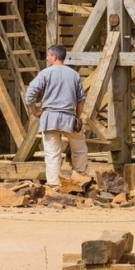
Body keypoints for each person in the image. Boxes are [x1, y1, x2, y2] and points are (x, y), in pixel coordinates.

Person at [25, 44, 88, 189]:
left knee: (52, 152)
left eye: (48, 55)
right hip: (69, 116)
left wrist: (35, 111)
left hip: (50, 117)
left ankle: (54, 184)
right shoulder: (74, 75)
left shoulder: (45, 73)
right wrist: (77, 116)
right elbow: (81, 100)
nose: (47, 58)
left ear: (54, 57)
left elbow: (30, 94)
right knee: (79, 148)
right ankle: (81, 179)